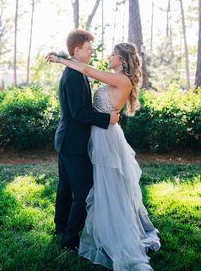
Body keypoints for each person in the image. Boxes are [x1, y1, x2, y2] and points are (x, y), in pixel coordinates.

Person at [48, 40, 161, 271]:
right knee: (82, 185)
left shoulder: (121, 79)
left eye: (112, 54)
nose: (107, 56)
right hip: (95, 134)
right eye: (89, 48)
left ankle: (88, 232)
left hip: (104, 137)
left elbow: (88, 71)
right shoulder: (112, 77)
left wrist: (59, 59)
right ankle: (67, 229)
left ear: (121, 59)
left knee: (99, 186)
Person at [47, 29, 119, 252]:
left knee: (66, 186)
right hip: (74, 143)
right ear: (77, 50)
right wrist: (108, 118)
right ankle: (69, 239)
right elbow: (79, 112)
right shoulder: (74, 75)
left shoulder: (74, 72)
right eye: (88, 49)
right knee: (83, 191)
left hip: (66, 140)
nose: (91, 52)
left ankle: (60, 227)